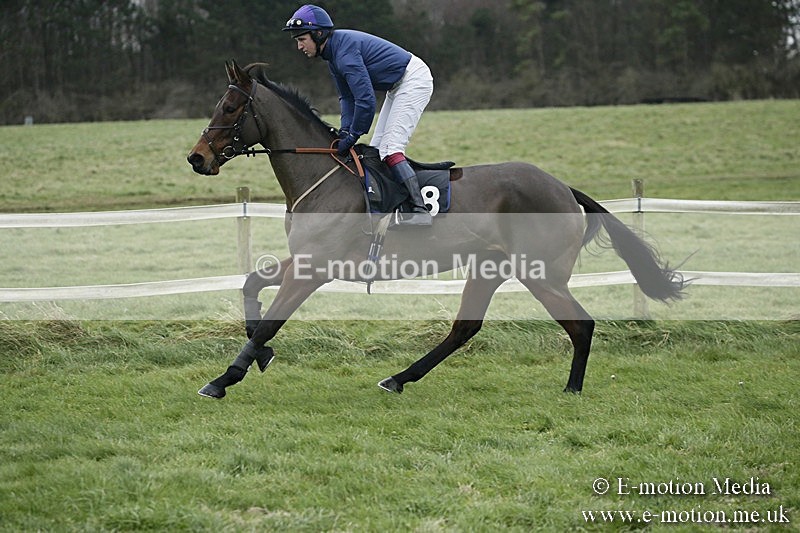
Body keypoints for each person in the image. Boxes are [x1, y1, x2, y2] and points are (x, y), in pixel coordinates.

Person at [283, 4, 433, 225]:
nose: (299, 46)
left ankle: (420, 212)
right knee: (377, 149)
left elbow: (365, 100)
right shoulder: (332, 53)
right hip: (397, 85)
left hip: (413, 80)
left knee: (391, 150)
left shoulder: (344, 54)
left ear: (318, 33)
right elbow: (347, 98)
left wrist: (353, 135)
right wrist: (345, 131)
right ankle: (392, 208)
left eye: (301, 39)